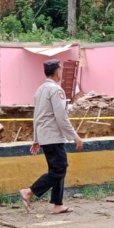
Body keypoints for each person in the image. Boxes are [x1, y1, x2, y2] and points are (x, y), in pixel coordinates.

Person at [19, 59, 83, 214]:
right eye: (61, 70)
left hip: (45, 137)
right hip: (53, 136)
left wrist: (37, 139)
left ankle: (58, 204)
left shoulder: (40, 90)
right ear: (57, 71)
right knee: (59, 169)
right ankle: (29, 192)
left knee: (57, 169)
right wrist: (74, 136)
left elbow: (37, 116)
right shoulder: (56, 90)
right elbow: (61, 117)